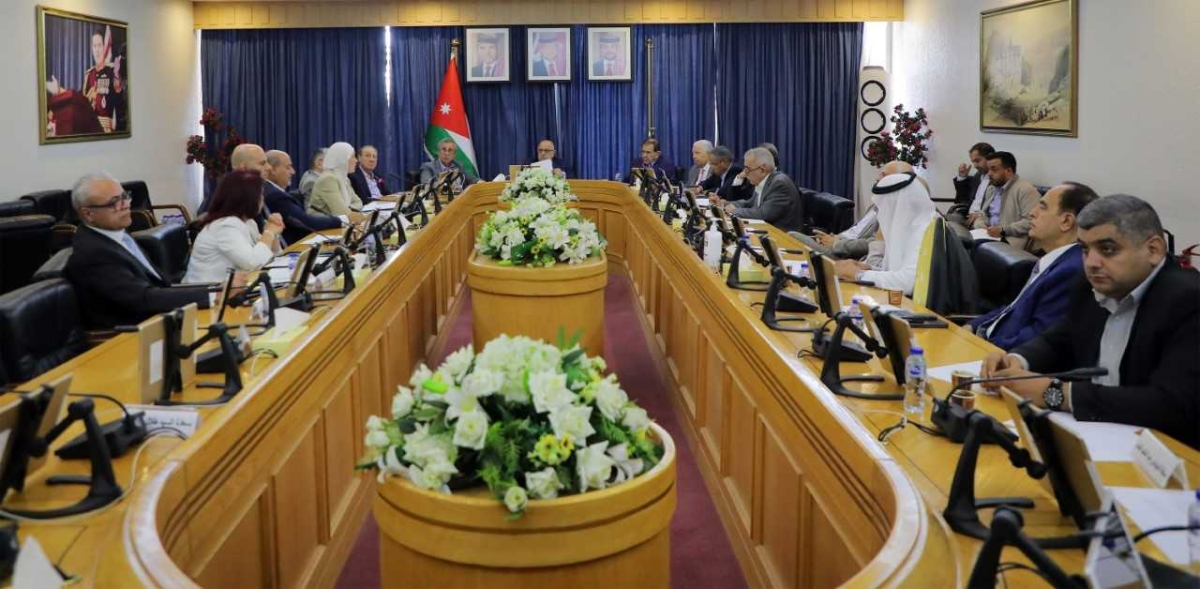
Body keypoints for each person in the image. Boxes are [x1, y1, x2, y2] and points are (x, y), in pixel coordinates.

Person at [982, 194, 1200, 449]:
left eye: (1108, 249)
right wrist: (1017, 359)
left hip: (1164, 454)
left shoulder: (1189, 301)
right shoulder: (1091, 284)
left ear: (1153, 250)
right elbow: (1060, 340)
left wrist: (1057, 393)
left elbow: (1172, 404)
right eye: (1085, 249)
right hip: (1095, 435)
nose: (1092, 263)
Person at [65, 172, 211, 330]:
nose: (126, 205)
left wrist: (216, 291)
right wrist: (211, 296)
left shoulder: (118, 234)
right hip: (131, 335)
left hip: (161, 320)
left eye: (125, 196)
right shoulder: (93, 253)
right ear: (88, 214)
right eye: (114, 202)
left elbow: (159, 285)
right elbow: (143, 298)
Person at [970, 182, 1098, 350]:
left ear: (1066, 221)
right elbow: (1012, 309)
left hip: (999, 355)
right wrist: (971, 326)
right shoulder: (1055, 261)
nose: (1032, 213)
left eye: (1042, 207)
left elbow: (1037, 338)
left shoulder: (1071, 271)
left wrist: (980, 345)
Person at [833, 168, 937, 295]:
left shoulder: (926, 230)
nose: (881, 213)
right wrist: (868, 268)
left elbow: (909, 282)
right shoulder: (909, 227)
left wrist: (860, 275)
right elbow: (897, 271)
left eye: (883, 207)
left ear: (898, 204)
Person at [185, 170, 283, 284]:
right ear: (247, 198)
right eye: (260, 194)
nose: (262, 198)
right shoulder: (225, 226)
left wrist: (274, 235)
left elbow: (267, 258)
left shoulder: (249, 223)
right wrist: (269, 232)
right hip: (209, 291)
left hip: (233, 287)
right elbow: (252, 263)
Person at [264, 150, 362, 244]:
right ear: (272, 169)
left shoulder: (272, 191)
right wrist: (345, 219)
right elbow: (307, 222)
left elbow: (358, 201)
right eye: (288, 167)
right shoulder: (275, 195)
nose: (293, 172)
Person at [711, 147, 804, 233]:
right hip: (765, 230)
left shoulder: (779, 183)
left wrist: (734, 211)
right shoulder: (764, 181)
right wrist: (724, 204)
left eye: (747, 169)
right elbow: (749, 203)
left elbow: (762, 214)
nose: (745, 173)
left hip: (783, 236)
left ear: (761, 170)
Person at [970, 151, 1040, 251]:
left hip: (1010, 239)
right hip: (989, 235)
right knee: (961, 239)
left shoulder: (1025, 190)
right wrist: (981, 226)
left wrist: (1003, 230)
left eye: (994, 169)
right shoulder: (991, 189)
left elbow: (1031, 221)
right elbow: (983, 214)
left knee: (973, 246)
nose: (989, 173)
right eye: (989, 169)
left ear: (1008, 171)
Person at [198, 143, 270, 214]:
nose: (269, 168)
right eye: (262, 163)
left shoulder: (253, 192)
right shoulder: (228, 198)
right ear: (243, 168)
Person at [309, 142, 365, 217]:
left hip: (339, 220)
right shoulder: (328, 179)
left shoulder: (345, 179)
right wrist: (348, 209)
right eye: (352, 157)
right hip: (323, 222)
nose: (356, 160)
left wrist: (347, 208)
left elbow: (358, 202)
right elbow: (341, 212)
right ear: (342, 159)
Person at [950, 142, 995, 223]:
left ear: (990, 157)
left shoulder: (999, 179)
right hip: (968, 217)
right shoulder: (978, 176)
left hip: (982, 221)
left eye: (977, 161)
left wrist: (979, 215)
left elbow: (996, 208)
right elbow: (962, 199)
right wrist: (962, 177)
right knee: (942, 220)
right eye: (973, 162)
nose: (975, 166)